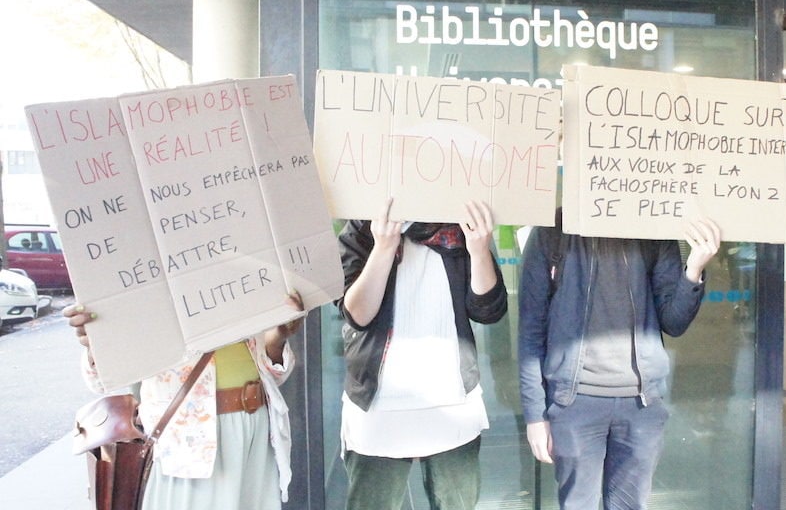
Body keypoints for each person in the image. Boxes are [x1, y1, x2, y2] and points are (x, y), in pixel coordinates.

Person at [518, 209, 720, 510]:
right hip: (574, 401)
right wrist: (535, 413)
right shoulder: (554, 230)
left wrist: (694, 269)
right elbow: (531, 327)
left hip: (641, 405)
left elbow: (674, 322)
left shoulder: (653, 227)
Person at [337, 197, 508, 510]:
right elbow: (357, 314)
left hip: (452, 403)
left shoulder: (461, 223)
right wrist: (384, 247)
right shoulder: (364, 227)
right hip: (378, 408)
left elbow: (488, 310)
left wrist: (479, 249)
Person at [64, 293, 305, 510]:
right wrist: (98, 341)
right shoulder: (143, 279)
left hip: (255, 432)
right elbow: (101, 380)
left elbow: (274, 374)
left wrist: (276, 338)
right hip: (187, 442)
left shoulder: (239, 271)